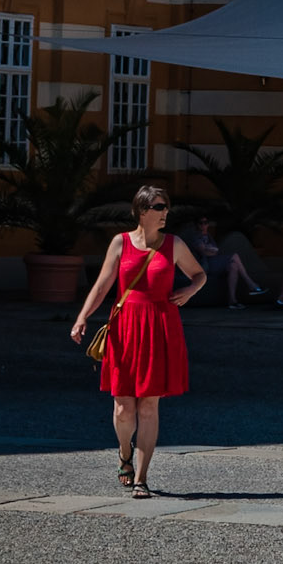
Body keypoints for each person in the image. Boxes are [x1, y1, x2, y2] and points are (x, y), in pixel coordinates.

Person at [71, 183, 205, 497]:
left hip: (160, 326)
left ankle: (142, 478)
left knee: (149, 406)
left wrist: (189, 290)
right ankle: (124, 453)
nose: (165, 213)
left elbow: (200, 275)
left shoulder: (174, 244)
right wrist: (82, 318)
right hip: (126, 326)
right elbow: (103, 286)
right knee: (123, 408)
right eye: (159, 207)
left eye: (166, 207)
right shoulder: (120, 243)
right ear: (141, 211)